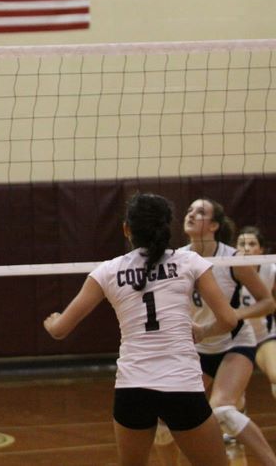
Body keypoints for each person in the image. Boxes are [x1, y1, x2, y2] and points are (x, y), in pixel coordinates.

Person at [43, 192, 236, 466]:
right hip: (180, 385)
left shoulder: (107, 271)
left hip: (132, 389)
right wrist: (202, 331)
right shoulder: (190, 262)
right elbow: (228, 319)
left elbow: (60, 330)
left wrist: (52, 321)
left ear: (126, 229)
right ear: (166, 227)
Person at [174, 198, 276, 465]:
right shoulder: (176, 259)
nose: (191, 214)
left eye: (200, 212)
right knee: (179, 418)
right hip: (198, 348)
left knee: (222, 409)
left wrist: (234, 315)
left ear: (214, 225)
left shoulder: (232, 259)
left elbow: (268, 302)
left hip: (234, 344)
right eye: (189, 210)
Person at [236, 226, 276, 402]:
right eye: (241, 244)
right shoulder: (225, 270)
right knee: (234, 396)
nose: (246, 248)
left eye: (252, 244)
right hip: (234, 340)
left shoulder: (270, 270)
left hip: (263, 336)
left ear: (261, 250)